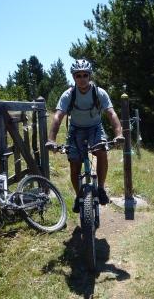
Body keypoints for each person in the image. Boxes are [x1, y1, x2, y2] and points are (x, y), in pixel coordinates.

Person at [46, 59, 124, 213]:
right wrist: (51, 140)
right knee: (74, 163)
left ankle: (100, 188)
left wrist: (119, 134)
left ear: (89, 76)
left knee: (102, 152)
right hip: (76, 130)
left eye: (84, 75)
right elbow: (57, 117)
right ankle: (78, 196)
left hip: (95, 128)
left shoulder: (99, 93)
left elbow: (111, 114)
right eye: (78, 76)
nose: (81, 79)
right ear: (74, 77)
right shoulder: (69, 94)